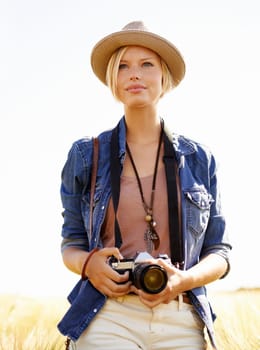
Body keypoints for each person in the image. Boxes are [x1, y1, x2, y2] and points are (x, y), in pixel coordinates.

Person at [57, 21, 232, 350]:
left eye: (146, 64)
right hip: (107, 314)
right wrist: (89, 263)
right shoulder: (86, 155)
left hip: (182, 318)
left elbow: (219, 252)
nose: (134, 74)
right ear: (113, 79)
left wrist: (184, 279)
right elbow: (70, 243)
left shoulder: (199, 160)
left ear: (163, 76)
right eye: (122, 66)